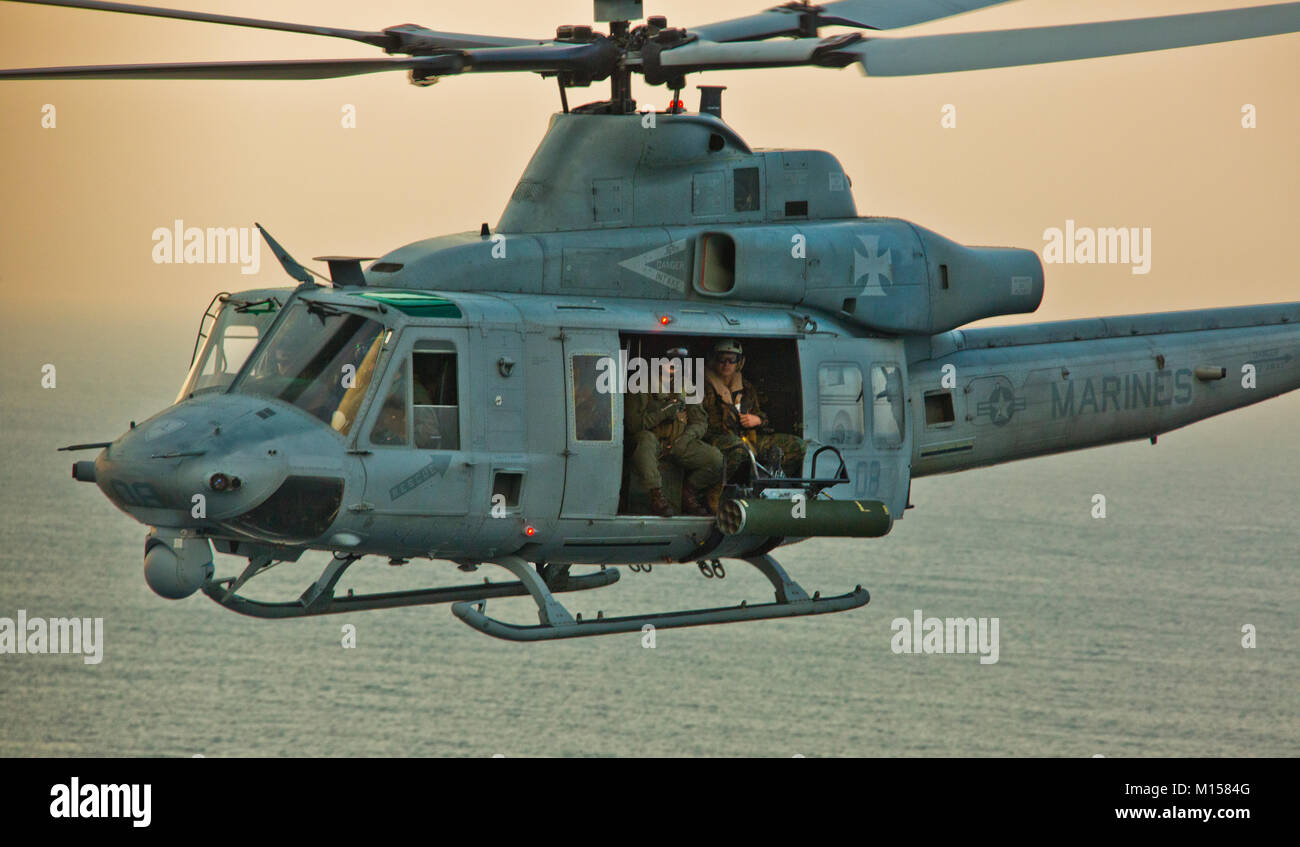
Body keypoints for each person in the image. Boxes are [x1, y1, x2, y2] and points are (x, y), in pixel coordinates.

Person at [625, 348, 722, 517]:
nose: (674, 365)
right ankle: (656, 496)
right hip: (651, 443)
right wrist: (664, 412)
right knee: (645, 440)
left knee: (715, 459)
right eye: (669, 360)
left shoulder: (686, 386)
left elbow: (699, 421)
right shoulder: (640, 384)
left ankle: (688, 493)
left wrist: (686, 438)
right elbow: (633, 425)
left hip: (677, 443)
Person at [703, 339, 806, 485]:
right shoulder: (702, 386)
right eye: (722, 359)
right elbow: (700, 423)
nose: (726, 364)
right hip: (717, 439)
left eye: (732, 360)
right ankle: (715, 490)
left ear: (739, 362)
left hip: (748, 438)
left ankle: (768, 483)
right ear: (713, 360)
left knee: (797, 445)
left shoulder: (746, 387)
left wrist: (757, 420)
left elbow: (762, 415)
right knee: (740, 450)